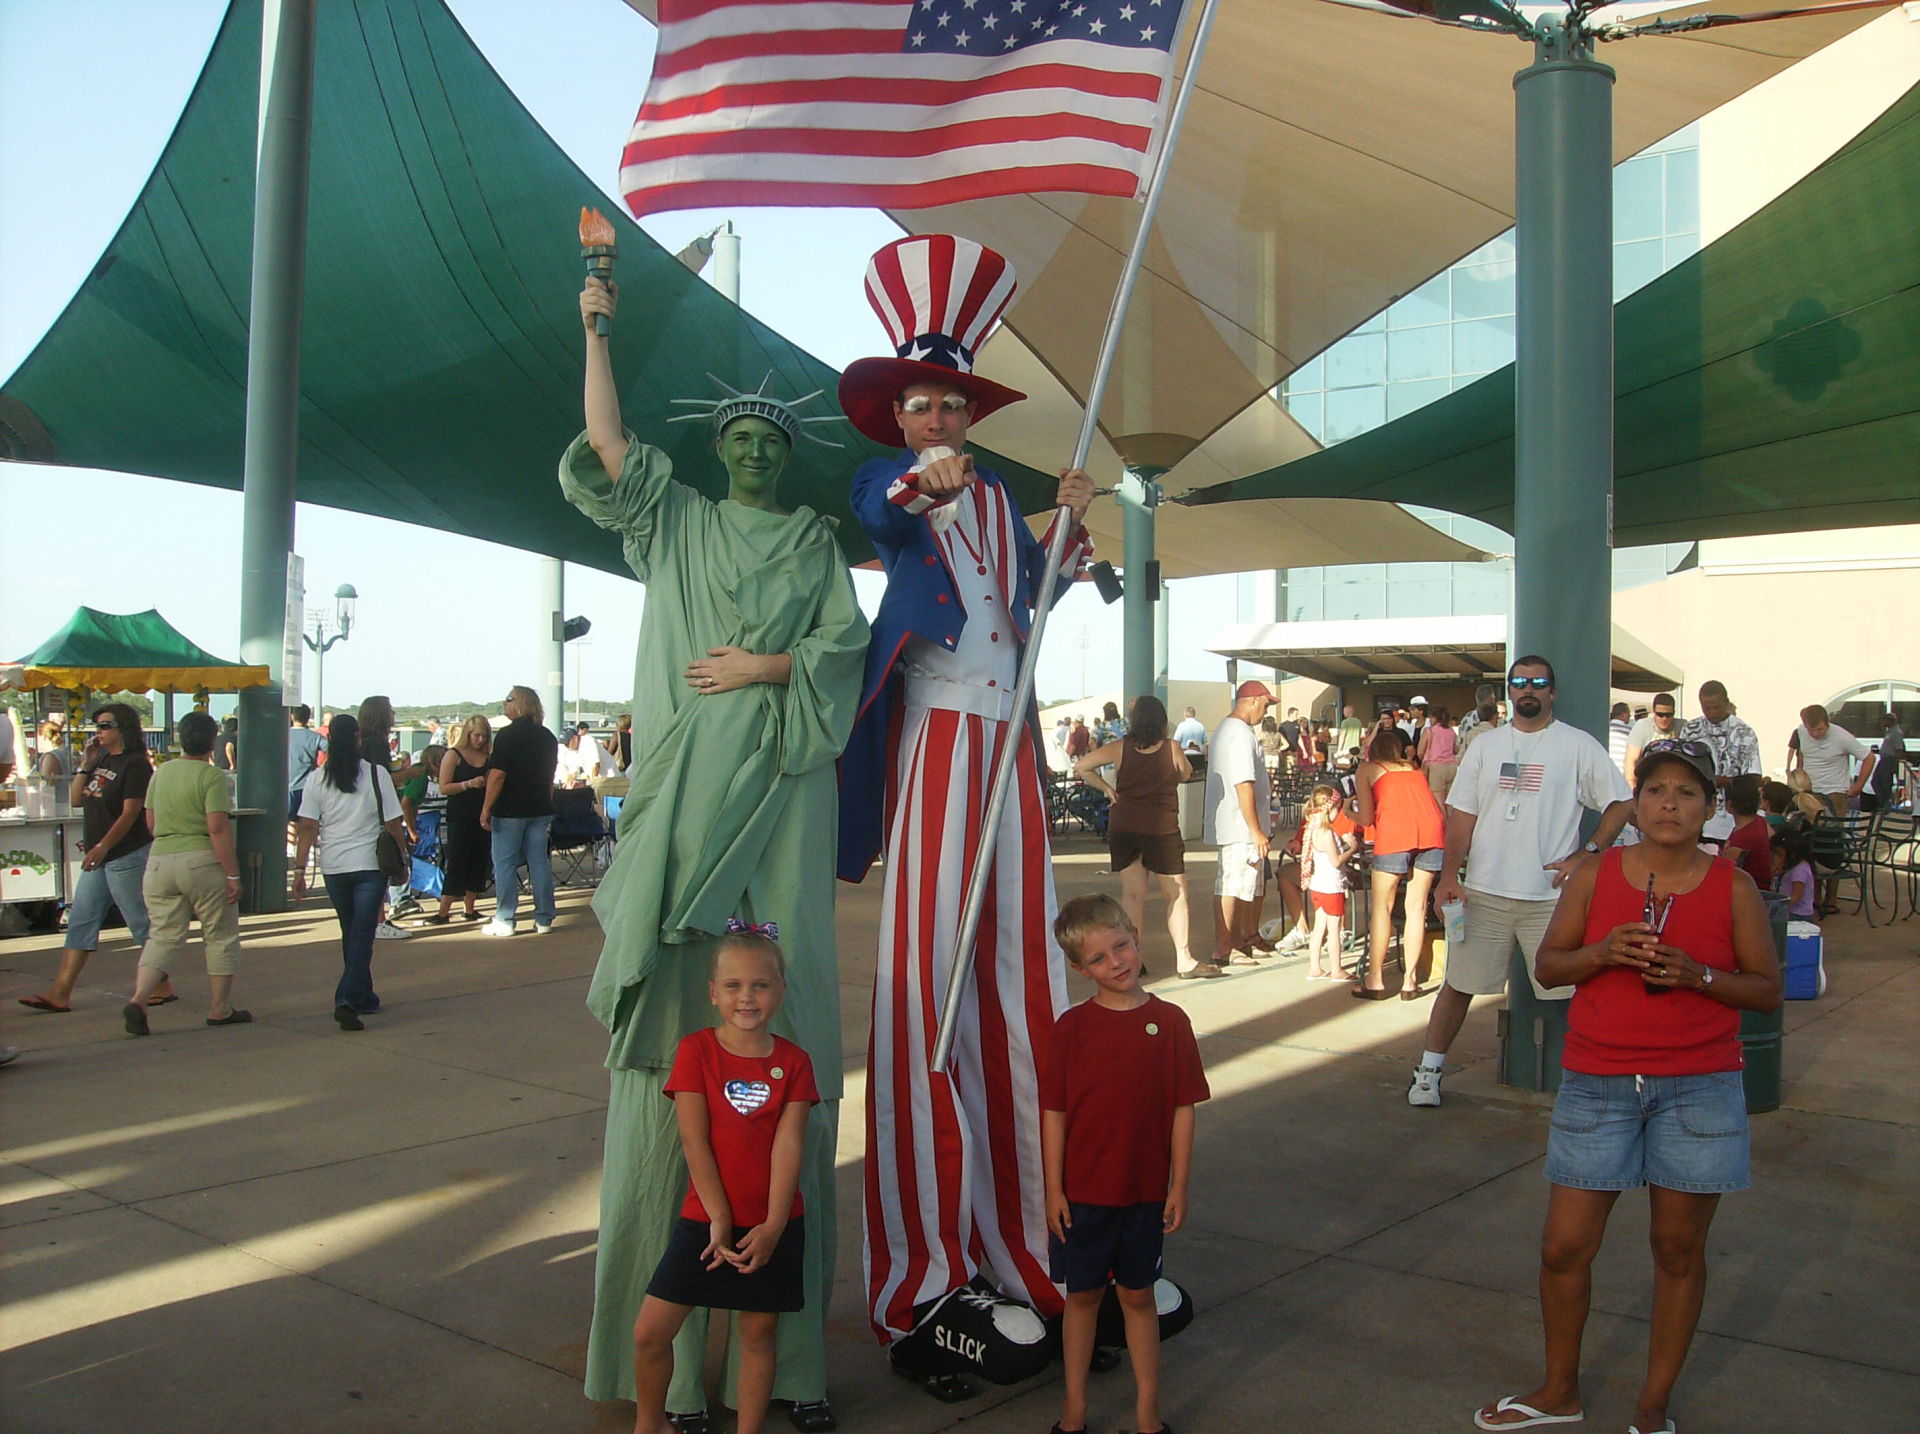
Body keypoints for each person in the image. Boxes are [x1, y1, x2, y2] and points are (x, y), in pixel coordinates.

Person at [567, 270, 867, 1427]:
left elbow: (843, 653)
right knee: (677, 1049)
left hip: (786, 790)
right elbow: (606, 439)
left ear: (785, 459)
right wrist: (597, 324)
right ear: (720, 449)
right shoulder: (678, 522)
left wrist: (766, 667)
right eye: (736, 434)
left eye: (766, 440)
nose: (749, 450)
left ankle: (784, 1370)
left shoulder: (813, 540)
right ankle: (666, 1367)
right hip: (690, 798)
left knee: (786, 1016)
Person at [834, 234, 1103, 1391]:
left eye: (951, 403)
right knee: (926, 998)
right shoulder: (902, 483)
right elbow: (884, 518)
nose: (938, 419)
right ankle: (920, 1281)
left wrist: (1075, 524)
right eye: (922, 404)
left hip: (1013, 751)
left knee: (1022, 988)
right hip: (943, 740)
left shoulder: (995, 496)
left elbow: (1037, 595)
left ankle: (1029, 1247)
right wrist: (913, 487)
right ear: (900, 416)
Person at [1474, 739, 1779, 1434]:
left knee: (1677, 1251)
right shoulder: (1596, 874)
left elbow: (1765, 991)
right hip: (1599, 1079)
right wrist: (1602, 952)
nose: (1669, 803)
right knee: (1564, 1246)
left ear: (1710, 807)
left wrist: (1699, 975)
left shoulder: (1731, 885)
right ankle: (1559, 1390)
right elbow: (1548, 968)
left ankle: (1652, 1404)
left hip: (1698, 1087)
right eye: (1655, 790)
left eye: (1686, 792)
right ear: (1635, 802)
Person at [1413, 657, 1635, 1107]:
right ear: (1507, 692)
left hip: (1550, 898)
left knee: (1579, 990)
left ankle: (1612, 1078)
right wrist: (1448, 877)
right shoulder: (1485, 746)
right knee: (1459, 982)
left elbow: (1621, 802)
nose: (1527, 690)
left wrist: (1588, 854)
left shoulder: (1576, 745)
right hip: (1484, 892)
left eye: (1538, 683)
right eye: (1518, 683)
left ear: (1552, 692)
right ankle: (1428, 1072)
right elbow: (1462, 815)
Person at [631, 926, 819, 1434]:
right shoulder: (696, 1052)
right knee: (651, 1333)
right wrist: (719, 1217)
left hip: (773, 1225)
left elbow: (789, 1144)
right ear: (713, 993)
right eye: (733, 985)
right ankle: (650, 1424)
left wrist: (775, 1223)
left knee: (757, 1334)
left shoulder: (794, 1063)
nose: (746, 997)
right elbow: (695, 1140)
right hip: (705, 1220)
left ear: (780, 991)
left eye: (760, 985)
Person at [1042, 894, 1208, 1434]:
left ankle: (1147, 1411)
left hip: (1144, 1194)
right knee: (1083, 1297)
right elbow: (1054, 1115)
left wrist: (1178, 1184)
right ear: (1077, 968)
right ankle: (1074, 1408)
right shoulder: (1071, 1029)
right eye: (1097, 958)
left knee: (1138, 1297)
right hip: (1084, 1194)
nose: (1115, 962)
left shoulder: (1171, 1022)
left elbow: (1183, 1110)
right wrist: (1053, 1190)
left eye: (1120, 946)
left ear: (1136, 936)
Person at [19, 704, 164, 1015]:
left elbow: (131, 813)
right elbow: (75, 799)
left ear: (123, 728)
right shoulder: (101, 760)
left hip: (125, 851)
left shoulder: (136, 764)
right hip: (100, 854)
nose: (98, 732)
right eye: (96, 726)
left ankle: (161, 980)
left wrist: (103, 847)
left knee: (139, 921)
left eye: (105, 725)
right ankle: (61, 991)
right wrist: (86, 765)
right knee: (82, 919)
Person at [123, 711, 248, 1034]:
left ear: (180, 738)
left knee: (163, 935)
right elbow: (217, 828)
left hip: (160, 861)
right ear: (212, 741)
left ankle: (139, 998)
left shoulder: (161, 773)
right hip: (202, 860)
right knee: (220, 935)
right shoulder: (211, 777)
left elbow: (150, 823)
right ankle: (220, 1008)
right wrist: (233, 875)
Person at [293, 713, 407, 1031]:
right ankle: (345, 998)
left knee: (351, 932)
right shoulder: (376, 774)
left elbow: (306, 826)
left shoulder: (317, 778)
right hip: (369, 864)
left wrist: (300, 868)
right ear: (358, 738)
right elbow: (392, 822)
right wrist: (403, 858)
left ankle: (363, 996)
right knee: (362, 934)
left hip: (334, 865)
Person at [1075, 695, 1198, 978]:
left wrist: (1107, 789)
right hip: (1161, 828)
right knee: (1175, 894)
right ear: (1161, 721)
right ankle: (1184, 959)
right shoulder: (1172, 747)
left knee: (1132, 896)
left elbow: (1082, 766)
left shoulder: (1120, 748)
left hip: (1125, 825)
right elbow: (1185, 774)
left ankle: (1132, 959)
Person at [1352, 725, 1446, 999]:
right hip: (1431, 833)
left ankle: (1375, 979)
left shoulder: (1367, 769)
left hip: (1395, 834)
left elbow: (1367, 818)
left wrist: (1350, 812)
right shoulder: (1414, 770)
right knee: (1416, 907)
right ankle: (1410, 981)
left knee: (1382, 908)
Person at [1204, 681, 1276, 972]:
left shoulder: (1230, 730)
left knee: (1246, 886)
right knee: (1232, 886)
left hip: (1240, 824)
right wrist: (1256, 829)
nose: (1266, 711)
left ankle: (1240, 938)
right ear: (1252, 700)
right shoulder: (1239, 733)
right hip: (1240, 827)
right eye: (1266, 704)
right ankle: (1225, 945)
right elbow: (1243, 783)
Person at [480, 686, 559, 937]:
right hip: (539, 807)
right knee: (539, 863)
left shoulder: (506, 736)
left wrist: (486, 807)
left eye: (508, 700)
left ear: (519, 704)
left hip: (510, 809)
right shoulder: (547, 736)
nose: (504, 704)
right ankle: (544, 917)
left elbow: (497, 775)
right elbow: (550, 776)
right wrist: (547, 801)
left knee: (504, 863)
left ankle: (505, 917)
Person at [425, 716, 492, 924]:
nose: (479, 740)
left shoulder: (488, 757)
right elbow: (445, 786)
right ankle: (444, 910)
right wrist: (469, 784)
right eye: (476, 735)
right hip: (459, 814)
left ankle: (470, 908)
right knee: (456, 861)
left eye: (483, 736)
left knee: (478, 861)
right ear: (467, 734)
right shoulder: (453, 755)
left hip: (481, 814)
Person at [1679, 681, 1760, 840]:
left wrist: (1722, 781)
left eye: (1716, 707)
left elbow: (1754, 779)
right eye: (1706, 708)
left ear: (1726, 703)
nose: (1711, 712)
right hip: (1696, 816)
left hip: (1731, 821)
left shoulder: (1744, 732)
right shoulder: (1690, 730)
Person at [1299, 784, 1357, 982]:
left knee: (1319, 926)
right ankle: (1336, 969)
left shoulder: (1312, 827)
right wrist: (1352, 847)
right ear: (1330, 808)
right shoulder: (1326, 832)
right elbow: (1337, 861)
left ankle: (1314, 967)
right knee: (1334, 930)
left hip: (1317, 884)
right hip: (1332, 885)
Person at [1786, 704, 1874, 816]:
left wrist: (1858, 786)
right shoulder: (1801, 731)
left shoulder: (1841, 736)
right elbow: (1803, 753)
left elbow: (1869, 758)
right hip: (1808, 791)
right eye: (1811, 730)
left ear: (1827, 724)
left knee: (1833, 829)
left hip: (1834, 793)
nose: (1815, 734)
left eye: (1819, 729)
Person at [1720, 774, 1773, 882]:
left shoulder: (1741, 839)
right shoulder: (1760, 822)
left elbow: (1723, 873)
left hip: (1750, 891)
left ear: (1729, 805)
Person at [1622, 692, 1679, 786]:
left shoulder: (1682, 727)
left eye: (1668, 715)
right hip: (1648, 783)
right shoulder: (1642, 727)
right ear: (1653, 713)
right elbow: (1630, 762)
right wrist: (1633, 791)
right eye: (1660, 714)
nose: (1664, 718)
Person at [1861, 710, 1905, 813]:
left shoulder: (1896, 733)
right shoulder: (1889, 731)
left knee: (1885, 783)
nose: (1882, 722)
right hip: (1884, 759)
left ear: (1890, 721)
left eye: (1884, 720)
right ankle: (1883, 803)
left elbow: (1899, 749)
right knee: (1875, 781)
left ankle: (1885, 805)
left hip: (1889, 760)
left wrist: (1895, 764)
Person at [287, 704, 323, 825]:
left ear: (292, 717)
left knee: (290, 820)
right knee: (308, 819)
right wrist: (322, 768)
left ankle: (291, 843)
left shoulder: (282, 736)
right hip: (307, 784)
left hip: (285, 784)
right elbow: (333, 750)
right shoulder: (316, 737)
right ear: (308, 718)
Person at [1771, 827, 1816, 919]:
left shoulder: (1799, 870)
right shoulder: (1792, 867)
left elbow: (1797, 894)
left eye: (1780, 855)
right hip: (1791, 909)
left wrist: (1781, 908)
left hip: (1797, 913)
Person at [1417, 704, 1459, 803]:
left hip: (1436, 767)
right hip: (1452, 767)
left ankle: (1442, 819)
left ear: (1435, 717)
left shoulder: (1429, 731)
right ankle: (1450, 818)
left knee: (1438, 802)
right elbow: (1456, 750)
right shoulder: (1451, 731)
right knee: (1450, 802)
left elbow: (1420, 752)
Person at [1608, 701, 1632, 776]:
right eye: (1629, 714)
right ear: (1624, 714)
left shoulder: (1605, 729)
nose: (1630, 716)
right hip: (1622, 773)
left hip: (1607, 770)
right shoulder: (1630, 732)